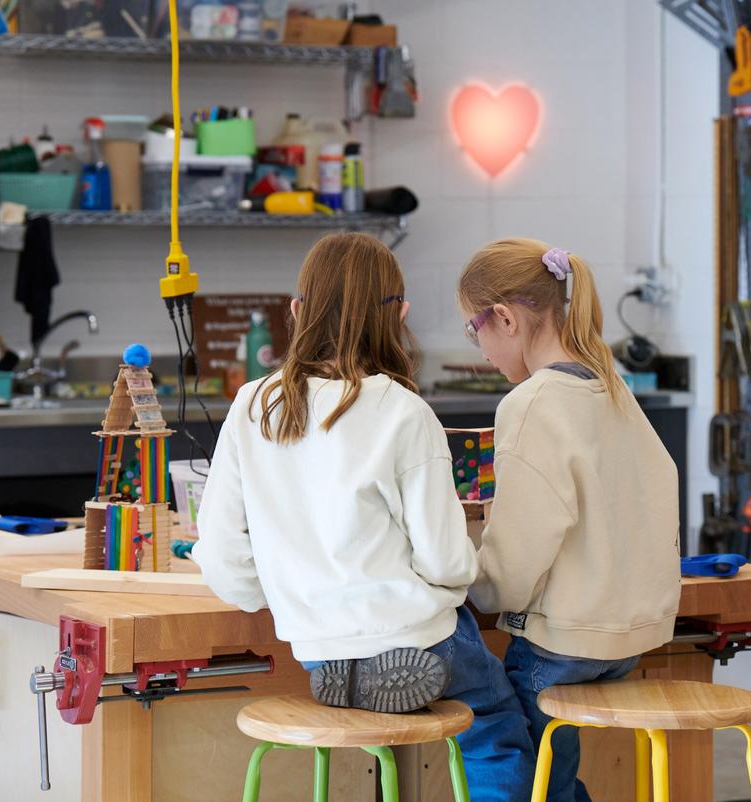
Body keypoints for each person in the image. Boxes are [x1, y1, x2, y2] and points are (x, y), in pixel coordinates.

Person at [193, 232, 535, 801]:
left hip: (318, 643)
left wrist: (283, 593)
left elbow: (223, 551)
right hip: (414, 637)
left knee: (377, 665)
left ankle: (349, 674)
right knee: (497, 730)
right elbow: (447, 560)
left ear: (298, 311)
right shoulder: (402, 410)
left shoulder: (253, 404)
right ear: (399, 315)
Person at [457, 237, 682, 802]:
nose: (478, 347)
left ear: (504, 318)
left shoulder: (533, 402)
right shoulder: (610, 386)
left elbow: (515, 559)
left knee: (524, 777)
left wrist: (476, 586)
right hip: (627, 638)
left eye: (473, 328)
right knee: (554, 781)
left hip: (560, 646)